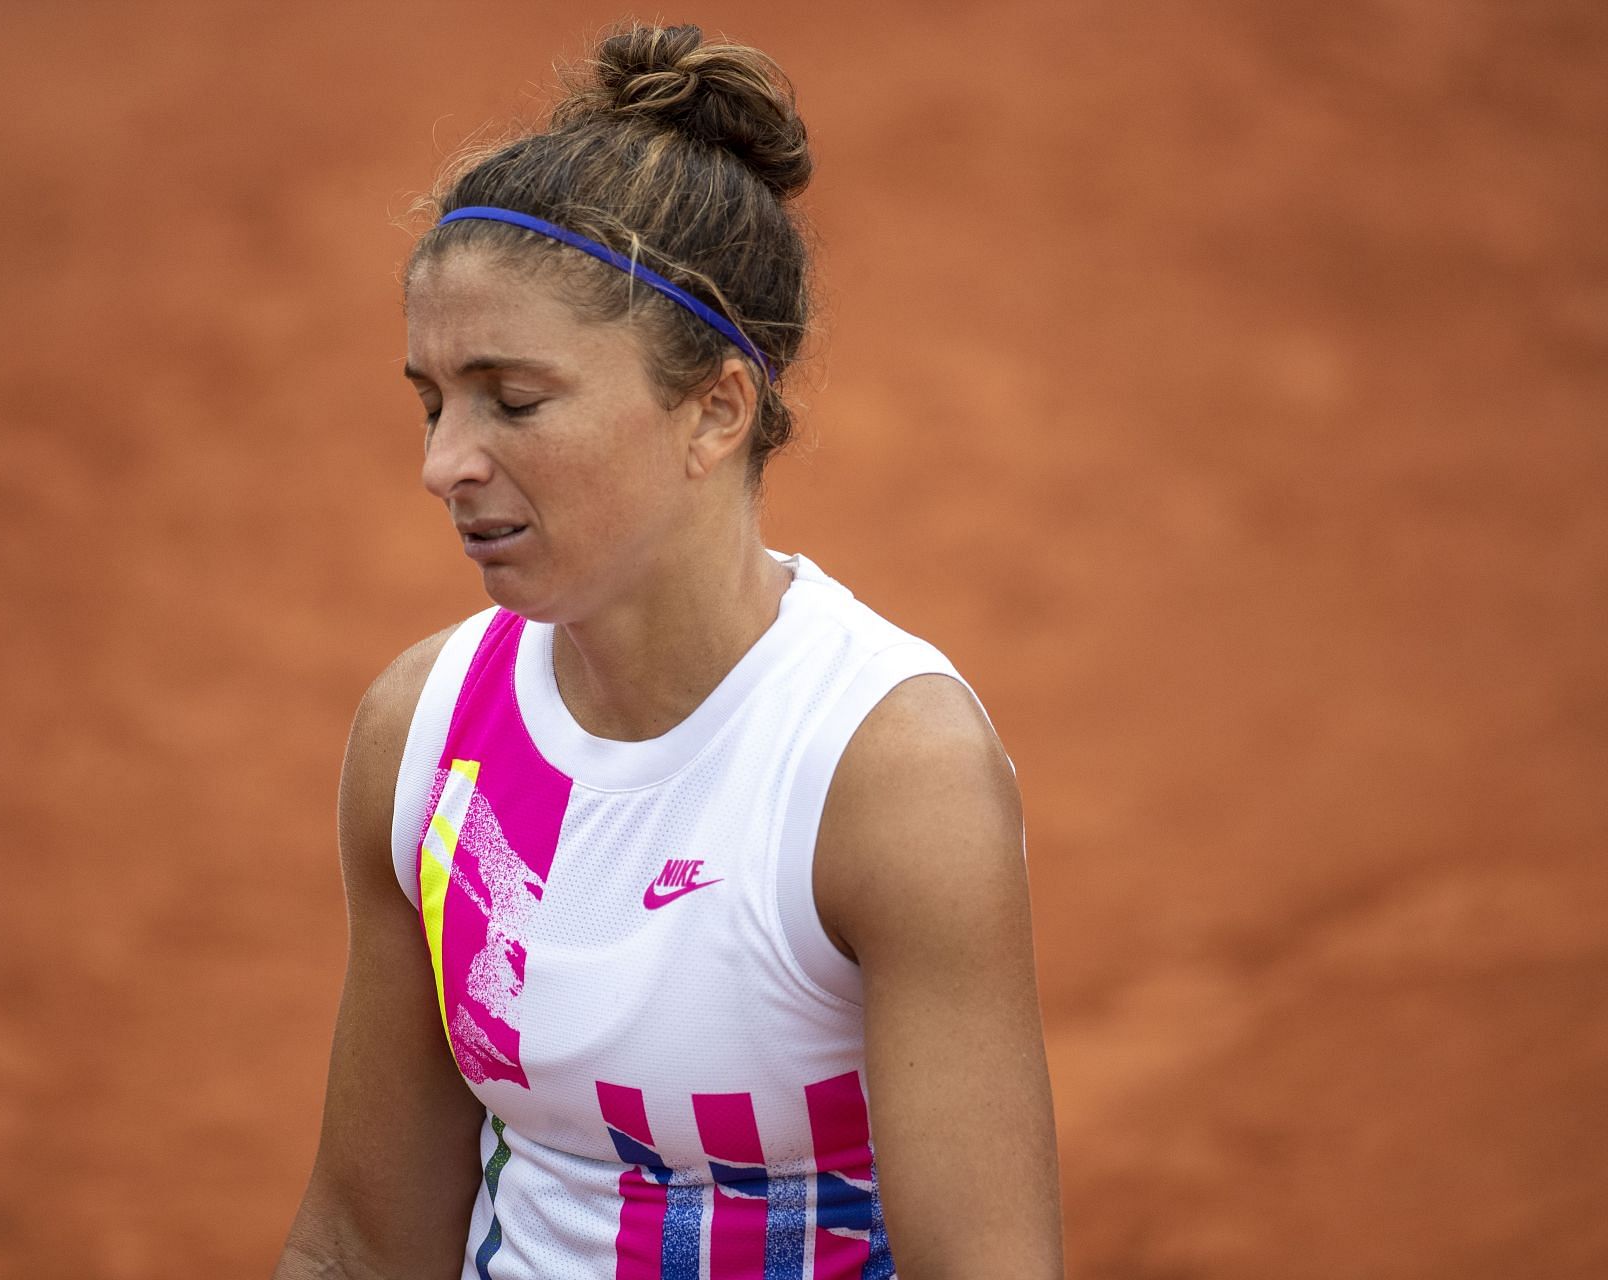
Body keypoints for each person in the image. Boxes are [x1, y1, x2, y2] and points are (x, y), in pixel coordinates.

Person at [273, 22, 1061, 1280]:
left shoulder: (884, 771)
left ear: (713, 411)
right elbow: (362, 1242)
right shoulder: (424, 734)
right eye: (433, 399)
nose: (444, 463)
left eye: (513, 400)